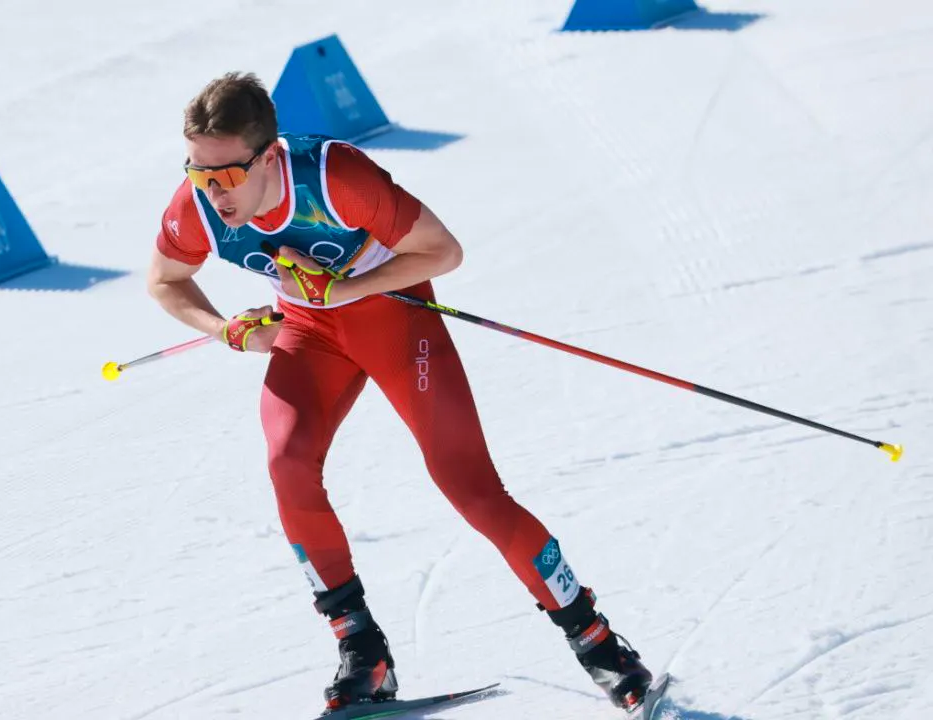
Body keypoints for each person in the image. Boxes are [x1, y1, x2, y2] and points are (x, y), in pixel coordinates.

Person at [147, 71, 653, 715]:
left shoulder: (337, 180)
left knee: (470, 487)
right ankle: (363, 653)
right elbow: (165, 281)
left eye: (226, 176)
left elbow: (442, 251)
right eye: (197, 173)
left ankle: (601, 646)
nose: (212, 193)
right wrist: (224, 330)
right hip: (306, 328)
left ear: (269, 156)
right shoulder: (194, 204)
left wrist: (344, 290)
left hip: (391, 312)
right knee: (288, 464)